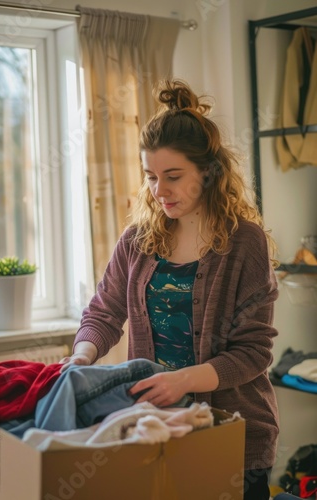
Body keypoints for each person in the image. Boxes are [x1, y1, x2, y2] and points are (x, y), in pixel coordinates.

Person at [60, 79, 279, 500]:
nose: (160, 190)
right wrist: (82, 354)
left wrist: (183, 380)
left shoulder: (244, 242)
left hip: (233, 432)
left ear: (209, 172)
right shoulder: (138, 239)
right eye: (151, 177)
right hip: (153, 424)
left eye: (173, 176)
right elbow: (103, 313)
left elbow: (253, 352)